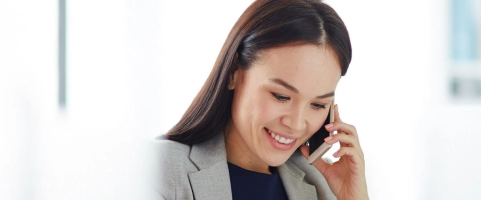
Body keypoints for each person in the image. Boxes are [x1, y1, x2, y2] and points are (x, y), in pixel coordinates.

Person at [157, 0, 367, 199]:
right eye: (281, 96)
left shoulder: (321, 184)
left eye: (318, 105)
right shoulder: (157, 171)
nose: (295, 124)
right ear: (233, 73)